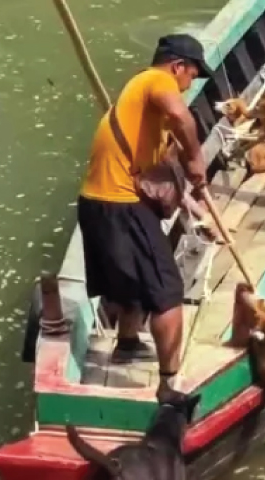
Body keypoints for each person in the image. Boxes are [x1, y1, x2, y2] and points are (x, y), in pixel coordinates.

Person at [77, 33, 212, 391]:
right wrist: (198, 160)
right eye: (191, 75)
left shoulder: (139, 103)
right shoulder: (156, 80)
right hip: (121, 205)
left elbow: (164, 164)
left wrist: (196, 206)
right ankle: (171, 384)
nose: (189, 85)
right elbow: (181, 117)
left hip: (95, 203)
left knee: (128, 281)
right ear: (177, 66)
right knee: (168, 292)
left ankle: (128, 343)